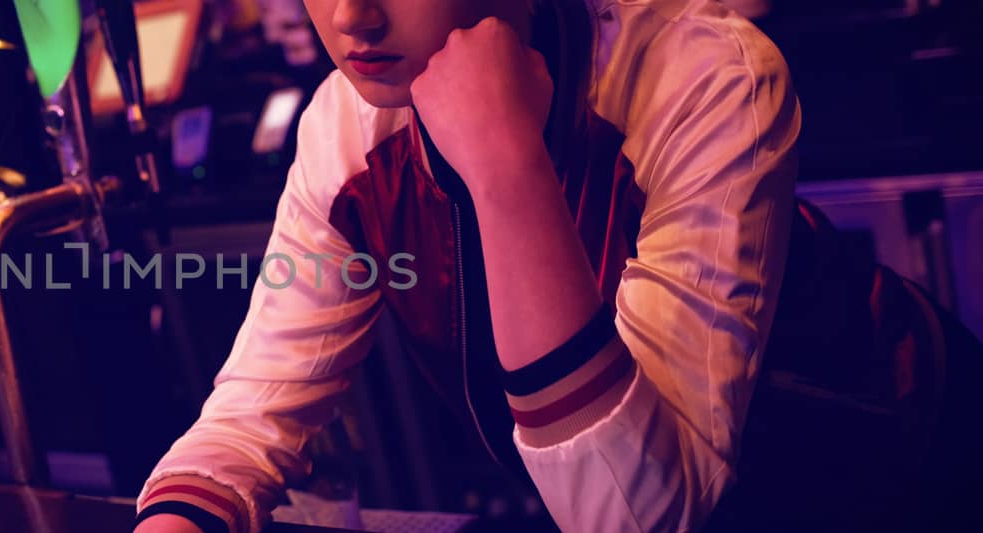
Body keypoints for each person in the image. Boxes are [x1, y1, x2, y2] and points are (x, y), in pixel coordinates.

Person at [133, 0, 981, 532]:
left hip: (912, 471)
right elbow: (247, 418)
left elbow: (636, 513)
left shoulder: (704, 75)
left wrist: (503, 162)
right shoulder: (345, 130)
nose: (351, 15)